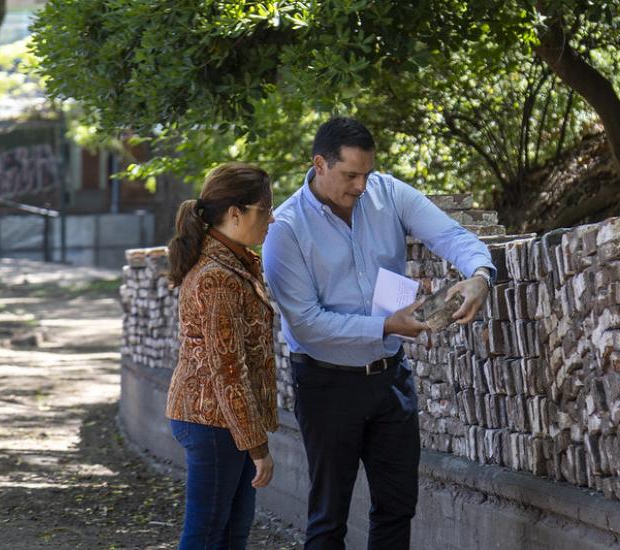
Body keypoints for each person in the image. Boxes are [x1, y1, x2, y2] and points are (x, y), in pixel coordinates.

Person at [262, 117, 496, 549]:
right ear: (319, 164)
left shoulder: (388, 193)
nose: (360, 186)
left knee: (397, 507)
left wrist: (480, 274)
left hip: (391, 378)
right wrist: (387, 324)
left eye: (366, 174)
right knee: (328, 518)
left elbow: (451, 235)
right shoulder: (285, 228)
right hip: (326, 382)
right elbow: (307, 324)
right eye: (350, 175)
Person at [165, 162, 278, 550]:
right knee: (206, 535)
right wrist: (257, 447)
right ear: (235, 214)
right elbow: (227, 369)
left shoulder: (238, 263)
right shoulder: (218, 276)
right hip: (213, 421)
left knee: (231, 534)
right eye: (265, 210)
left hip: (225, 421)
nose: (272, 219)